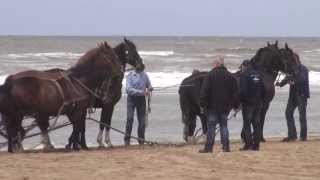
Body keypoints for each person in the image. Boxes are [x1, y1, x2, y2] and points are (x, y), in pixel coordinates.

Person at [199, 56, 239, 153]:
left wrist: (202, 104)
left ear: (216, 64)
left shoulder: (210, 75)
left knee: (211, 127)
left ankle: (209, 148)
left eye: (213, 63)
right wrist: (235, 106)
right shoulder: (230, 76)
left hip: (212, 106)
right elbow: (235, 93)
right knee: (223, 126)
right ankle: (226, 147)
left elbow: (205, 92)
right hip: (225, 107)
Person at [276, 53, 309, 142]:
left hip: (301, 95)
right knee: (288, 113)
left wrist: (293, 82)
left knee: (302, 116)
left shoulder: (303, 69)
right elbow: (287, 78)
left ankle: (303, 137)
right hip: (293, 96)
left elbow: (302, 79)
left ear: (296, 60)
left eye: (292, 60)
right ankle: (292, 135)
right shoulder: (291, 69)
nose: (291, 62)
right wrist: (280, 84)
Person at [239, 60, 265, 151]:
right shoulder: (258, 75)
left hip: (248, 104)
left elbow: (243, 91)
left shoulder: (244, 75)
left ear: (244, 66)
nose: (241, 68)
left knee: (247, 125)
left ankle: (248, 144)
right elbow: (263, 89)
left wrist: (240, 101)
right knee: (256, 124)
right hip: (258, 104)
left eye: (241, 67)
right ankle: (256, 145)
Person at [124, 64, 153, 145]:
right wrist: (141, 92)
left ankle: (141, 139)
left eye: (142, 69)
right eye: (140, 69)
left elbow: (148, 84)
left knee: (142, 121)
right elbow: (128, 89)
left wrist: (150, 87)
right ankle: (127, 139)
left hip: (141, 100)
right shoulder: (130, 75)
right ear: (136, 68)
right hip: (131, 99)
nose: (141, 71)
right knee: (130, 119)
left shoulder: (144, 75)